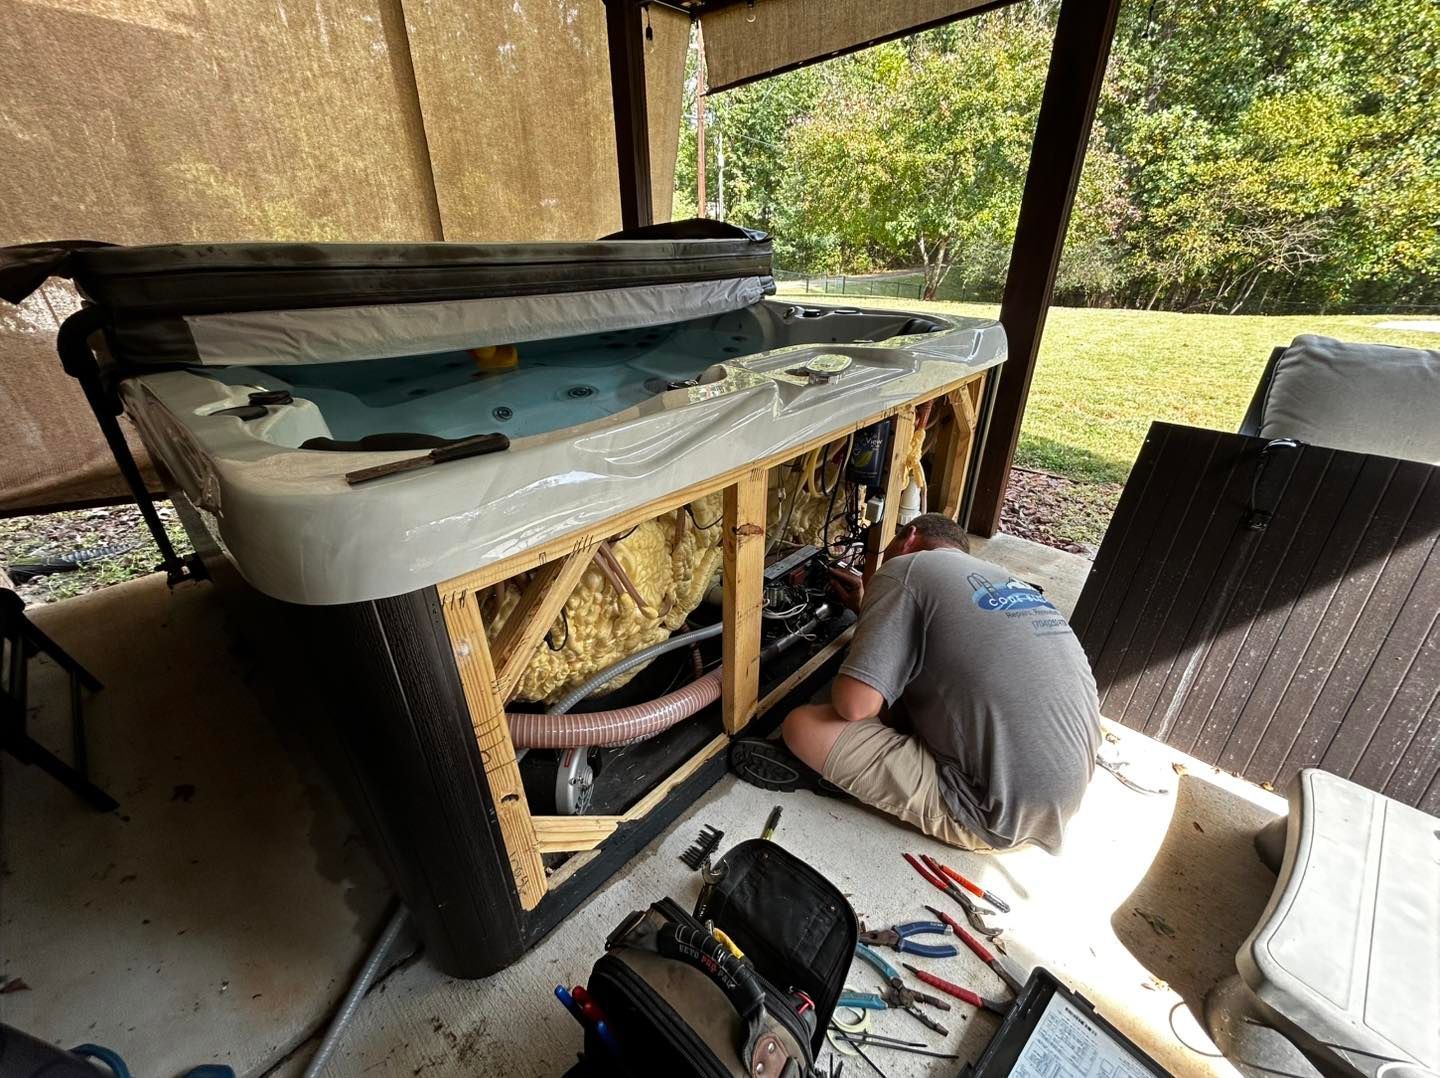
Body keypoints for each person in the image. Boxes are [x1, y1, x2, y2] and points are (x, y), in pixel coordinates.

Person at [732, 513, 1100, 853]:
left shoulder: (906, 566)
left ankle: (831, 778)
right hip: (1061, 796)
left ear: (909, 537)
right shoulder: (1000, 578)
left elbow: (854, 705)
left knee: (804, 725)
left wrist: (882, 597)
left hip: (993, 816)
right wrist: (869, 610)